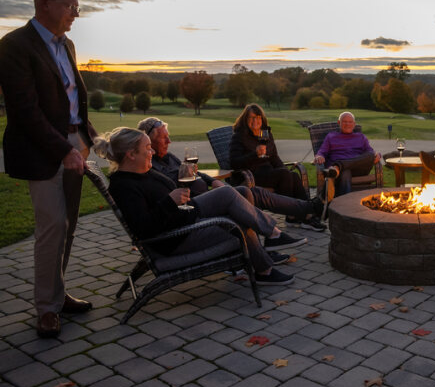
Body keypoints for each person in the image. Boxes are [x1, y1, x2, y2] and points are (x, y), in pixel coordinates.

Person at [0, 0, 96, 338]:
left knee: (68, 225)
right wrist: (64, 150)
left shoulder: (67, 44)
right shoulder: (14, 46)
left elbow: (72, 100)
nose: (76, 14)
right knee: (52, 225)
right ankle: (46, 309)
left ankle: (58, 295)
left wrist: (90, 138)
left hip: (74, 143)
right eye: (71, 6)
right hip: (42, 150)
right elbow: (26, 111)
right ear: (45, 4)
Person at [93, 127, 306, 286]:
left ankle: (267, 252)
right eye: (147, 148)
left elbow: (170, 193)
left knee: (239, 193)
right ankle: (268, 256)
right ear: (131, 154)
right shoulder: (124, 185)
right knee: (232, 205)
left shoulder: (144, 172)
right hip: (176, 237)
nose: (152, 153)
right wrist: (170, 201)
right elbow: (144, 228)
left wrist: (187, 187)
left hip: (184, 217)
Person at [138, 117, 325, 262]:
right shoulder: (148, 165)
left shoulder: (168, 157)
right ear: (148, 141)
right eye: (164, 138)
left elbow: (193, 172)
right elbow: (173, 190)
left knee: (254, 193)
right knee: (246, 196)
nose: (169, 141)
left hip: (210, 194)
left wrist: (212, 181)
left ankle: (305, 211)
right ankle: (282, 230)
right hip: (201, 205)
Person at [230, 103, 308, 199]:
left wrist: (284, 169)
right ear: (245, 119)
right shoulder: (239, 136)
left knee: (293, 175)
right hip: (251, 175)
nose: (255, 121)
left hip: (268, 172)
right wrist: (255, 154)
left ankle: (307, 208)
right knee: (284, 176)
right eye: (251, 117)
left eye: (258, 117)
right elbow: (234, 162)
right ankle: (288, 209)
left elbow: (274, 157)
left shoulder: (266, 134)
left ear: (262, 119)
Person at [314, 111, 380, 198]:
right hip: (338, 173)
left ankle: (338, 166)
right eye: (344, 121)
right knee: (345, 172)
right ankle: (345, 204)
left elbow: (370, 152)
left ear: (354, 124)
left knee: (371, 154)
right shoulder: (331, 136)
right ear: (339, 122)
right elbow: (322, 151)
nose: (347, 124)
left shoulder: (361, 137)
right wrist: (319, 156)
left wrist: (377, 154)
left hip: (358, 169)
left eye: (350, 122)